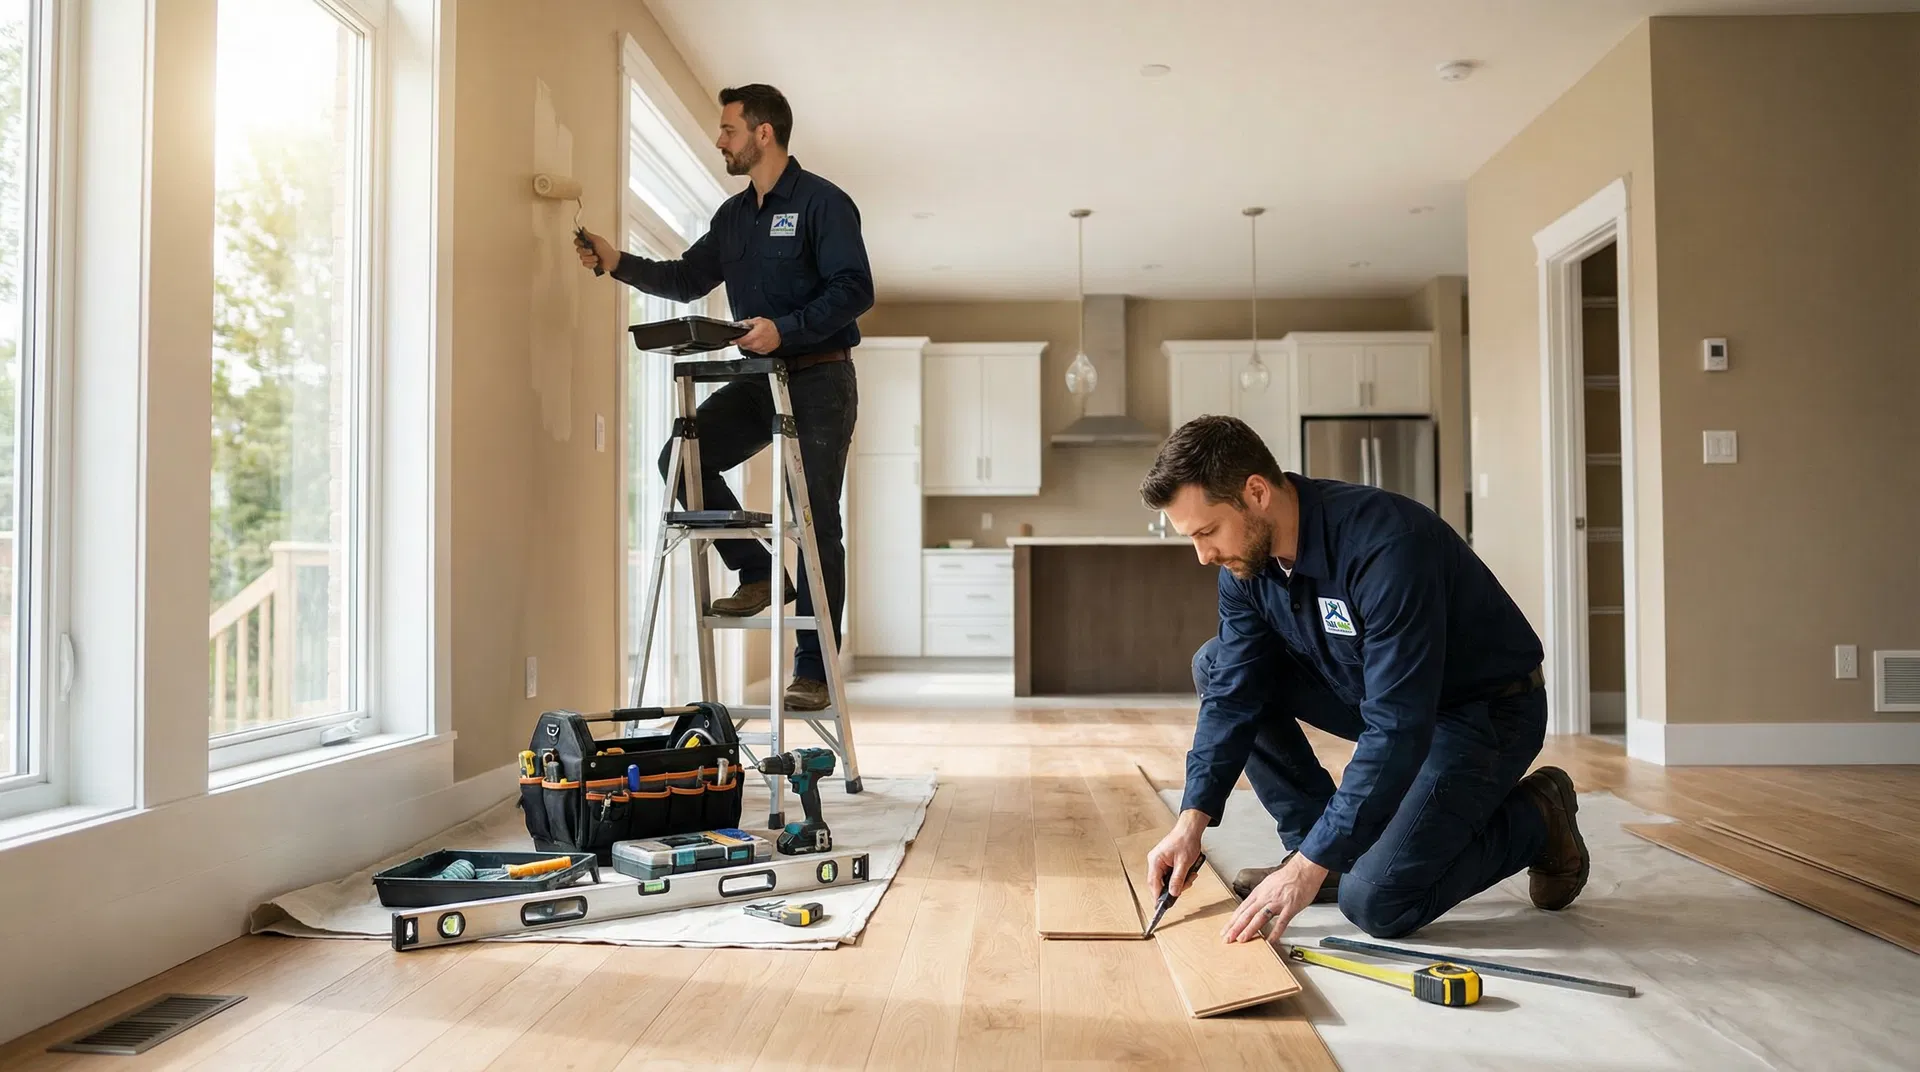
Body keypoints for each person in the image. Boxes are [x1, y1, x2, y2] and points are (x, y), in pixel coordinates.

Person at [1138, 415, 1589, 944]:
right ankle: (1319, 846)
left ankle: (1539, 815)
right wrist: (1191, 820)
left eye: (1208, 532)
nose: (1203, 554)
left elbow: (1397, 728)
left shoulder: (1388, 546)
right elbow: (1233, 692)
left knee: (1377, 902)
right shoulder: (1247, 568)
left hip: (1483, 714)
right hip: (1377, 694)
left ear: (1255, 493)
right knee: (1216, 665)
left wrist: (1305, 868)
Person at [576, 84, 873, 712]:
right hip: (759, 377)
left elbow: (855, 290)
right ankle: (759, 570)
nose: (720, 140)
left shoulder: (824, 202)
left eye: (728, 129)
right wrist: (615, 260)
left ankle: (815, 669)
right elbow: (686, 279)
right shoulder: (734, 217)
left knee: (814, 515)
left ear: (763, 134)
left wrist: (786, 328)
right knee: (680, 460)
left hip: (820, 376)